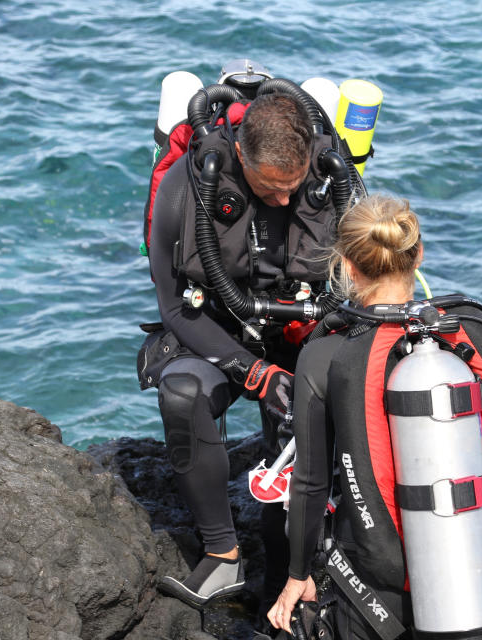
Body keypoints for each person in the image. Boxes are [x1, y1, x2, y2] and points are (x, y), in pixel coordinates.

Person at [266, 194, 482, 639]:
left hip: (378, 587)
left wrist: (297, 577)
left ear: (348, 266)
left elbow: (310, 485)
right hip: (479, 581)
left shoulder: (326, 353)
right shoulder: (474, 332)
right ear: (418, 254)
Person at [139, 90, 351, 610]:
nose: (283, 201)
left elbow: (364, 290)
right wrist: (254, 372)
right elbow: (172, 308)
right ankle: (222, 555)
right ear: (240, 157)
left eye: (291, 188)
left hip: (301, 334)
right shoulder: (183, 189)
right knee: (183, 394)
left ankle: (296, 566)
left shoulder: (331, 181)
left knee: (314, 412)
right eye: (270, 189)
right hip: (215, 328)